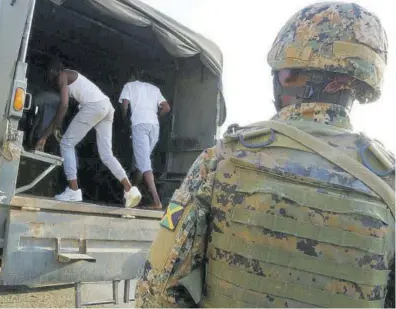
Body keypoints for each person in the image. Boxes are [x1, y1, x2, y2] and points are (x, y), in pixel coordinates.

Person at [134, 2, 395, 308]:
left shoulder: (223, 160)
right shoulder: (388, 182)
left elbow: (158, 290)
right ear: (359, 83)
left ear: (286, 76)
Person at [36, 58, 142, 207]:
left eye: (48, 74)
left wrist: (50, 132)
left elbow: (64, 105)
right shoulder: (73, 77)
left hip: (95, 107)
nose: (49, 77)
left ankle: (73, 191)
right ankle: (130, 189)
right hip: (106, 107)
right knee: (106, 154)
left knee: (66, 144)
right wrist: (51, 131)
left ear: (53, 71)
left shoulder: (62, 76)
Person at [119, 70, 171, 209]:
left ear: (133, 76)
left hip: (139, 124)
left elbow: (124, 104)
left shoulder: (129, 85)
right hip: (154, 126)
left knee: (145, 164)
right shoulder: (154, 89)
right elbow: (166, 107)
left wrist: (125, 118)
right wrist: (155, 116)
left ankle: (156, 202)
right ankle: (132, 193)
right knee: (141, 162)